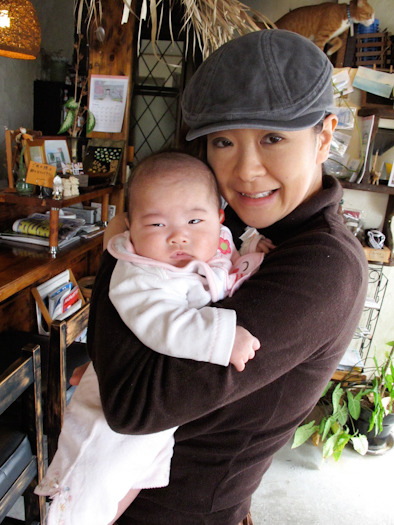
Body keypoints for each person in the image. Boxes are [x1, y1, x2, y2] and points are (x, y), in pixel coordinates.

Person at [87, 30, 369, 525]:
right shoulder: (234, 225)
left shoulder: (323, 269)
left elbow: (131, 405)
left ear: (324, 137)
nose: (246, 171)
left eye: (273, 138)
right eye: (223, 141)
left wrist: (124, 243)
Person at [36, 152, 269, 525]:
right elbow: (162, 323)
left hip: (155, 423)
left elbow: (227, 271)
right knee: (86, 493)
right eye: (157, 223)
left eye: (195, 219)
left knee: (131, 482)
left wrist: (253, 252)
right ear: (130, 227)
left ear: (219, 218)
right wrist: (222, 339)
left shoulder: (216, 243)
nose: (179, 235)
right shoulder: (138, 274)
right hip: (108, 420)